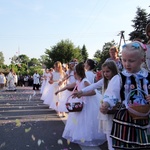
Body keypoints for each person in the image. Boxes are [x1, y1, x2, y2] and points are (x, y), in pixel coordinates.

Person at [100, 41, 150, 149]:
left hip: (146, 116)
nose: (127, 64)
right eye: (124, 60)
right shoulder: (119, 78)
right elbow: (111, 93)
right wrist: (106, 104)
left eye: (131, 61)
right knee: (126, 145)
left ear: (142, 60)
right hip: (126, 117)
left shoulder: (147, 76)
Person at [55, 62, 106, 146]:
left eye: (74, 73)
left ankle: (88, 136)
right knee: (80, 120)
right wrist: (59, 91)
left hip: (87, 103)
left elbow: (93, 92)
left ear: (76, 73)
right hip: (81, 102)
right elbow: (68, 86)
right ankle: (81, 135)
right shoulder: (78, 81)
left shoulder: (85, 81)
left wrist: (82, 94)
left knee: (87, 120)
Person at [72, 60, 119, 150]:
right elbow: (93, 86)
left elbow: (114, 93)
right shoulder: (105, 80)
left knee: (113, 130)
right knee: (108, 130)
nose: (105, 74)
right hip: (106, 108)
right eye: (104, 72)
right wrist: (81, 91)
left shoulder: (116, 79)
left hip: (113, 107)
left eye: (108, 71)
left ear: (114, 70)